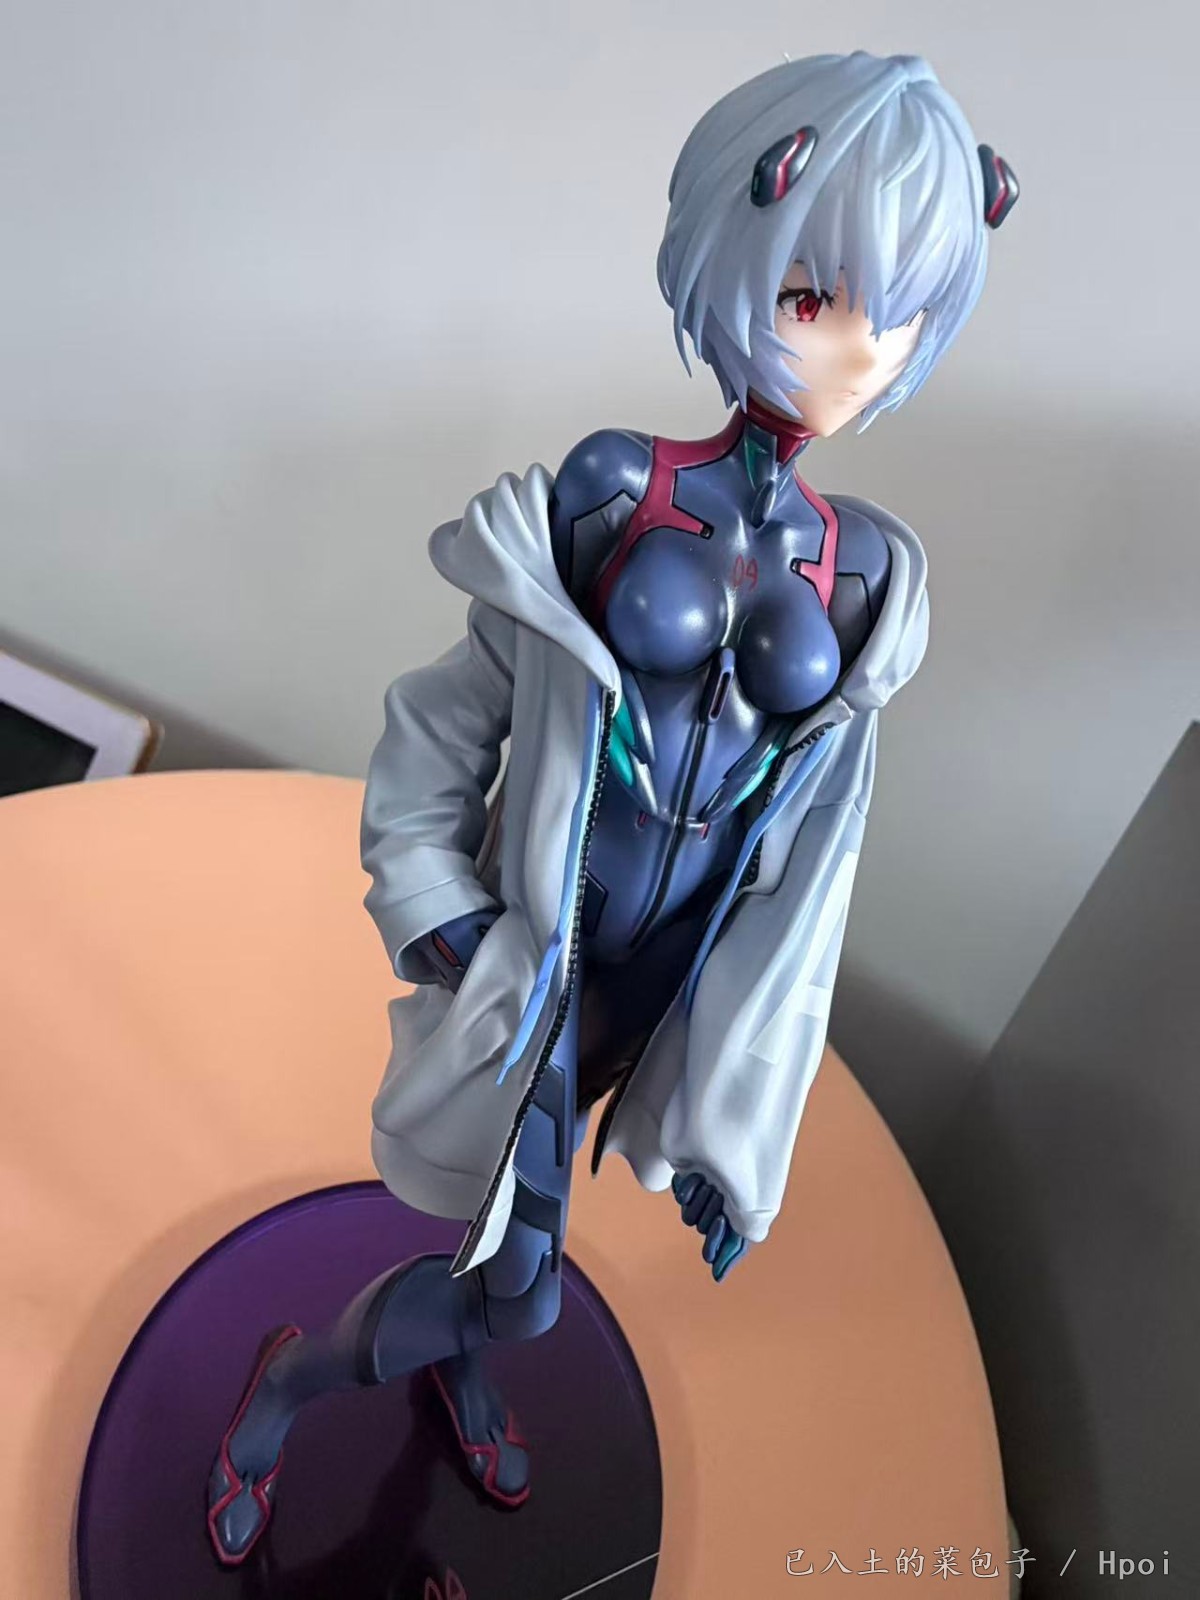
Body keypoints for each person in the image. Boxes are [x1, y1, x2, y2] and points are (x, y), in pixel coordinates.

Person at [207, 49, 1017, 1566]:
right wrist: (433, 899)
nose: (854, 350)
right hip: (547, 960)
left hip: (668, 990)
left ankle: (450, 1364)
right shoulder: (613, 492)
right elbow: (450, 716)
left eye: (899, 313)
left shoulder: (864, 573)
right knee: (524, 1284)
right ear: (740, 240)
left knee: (507, 1250)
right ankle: (292, 1385)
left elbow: (815, 862)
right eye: (815, 297)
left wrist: (741, 1109)